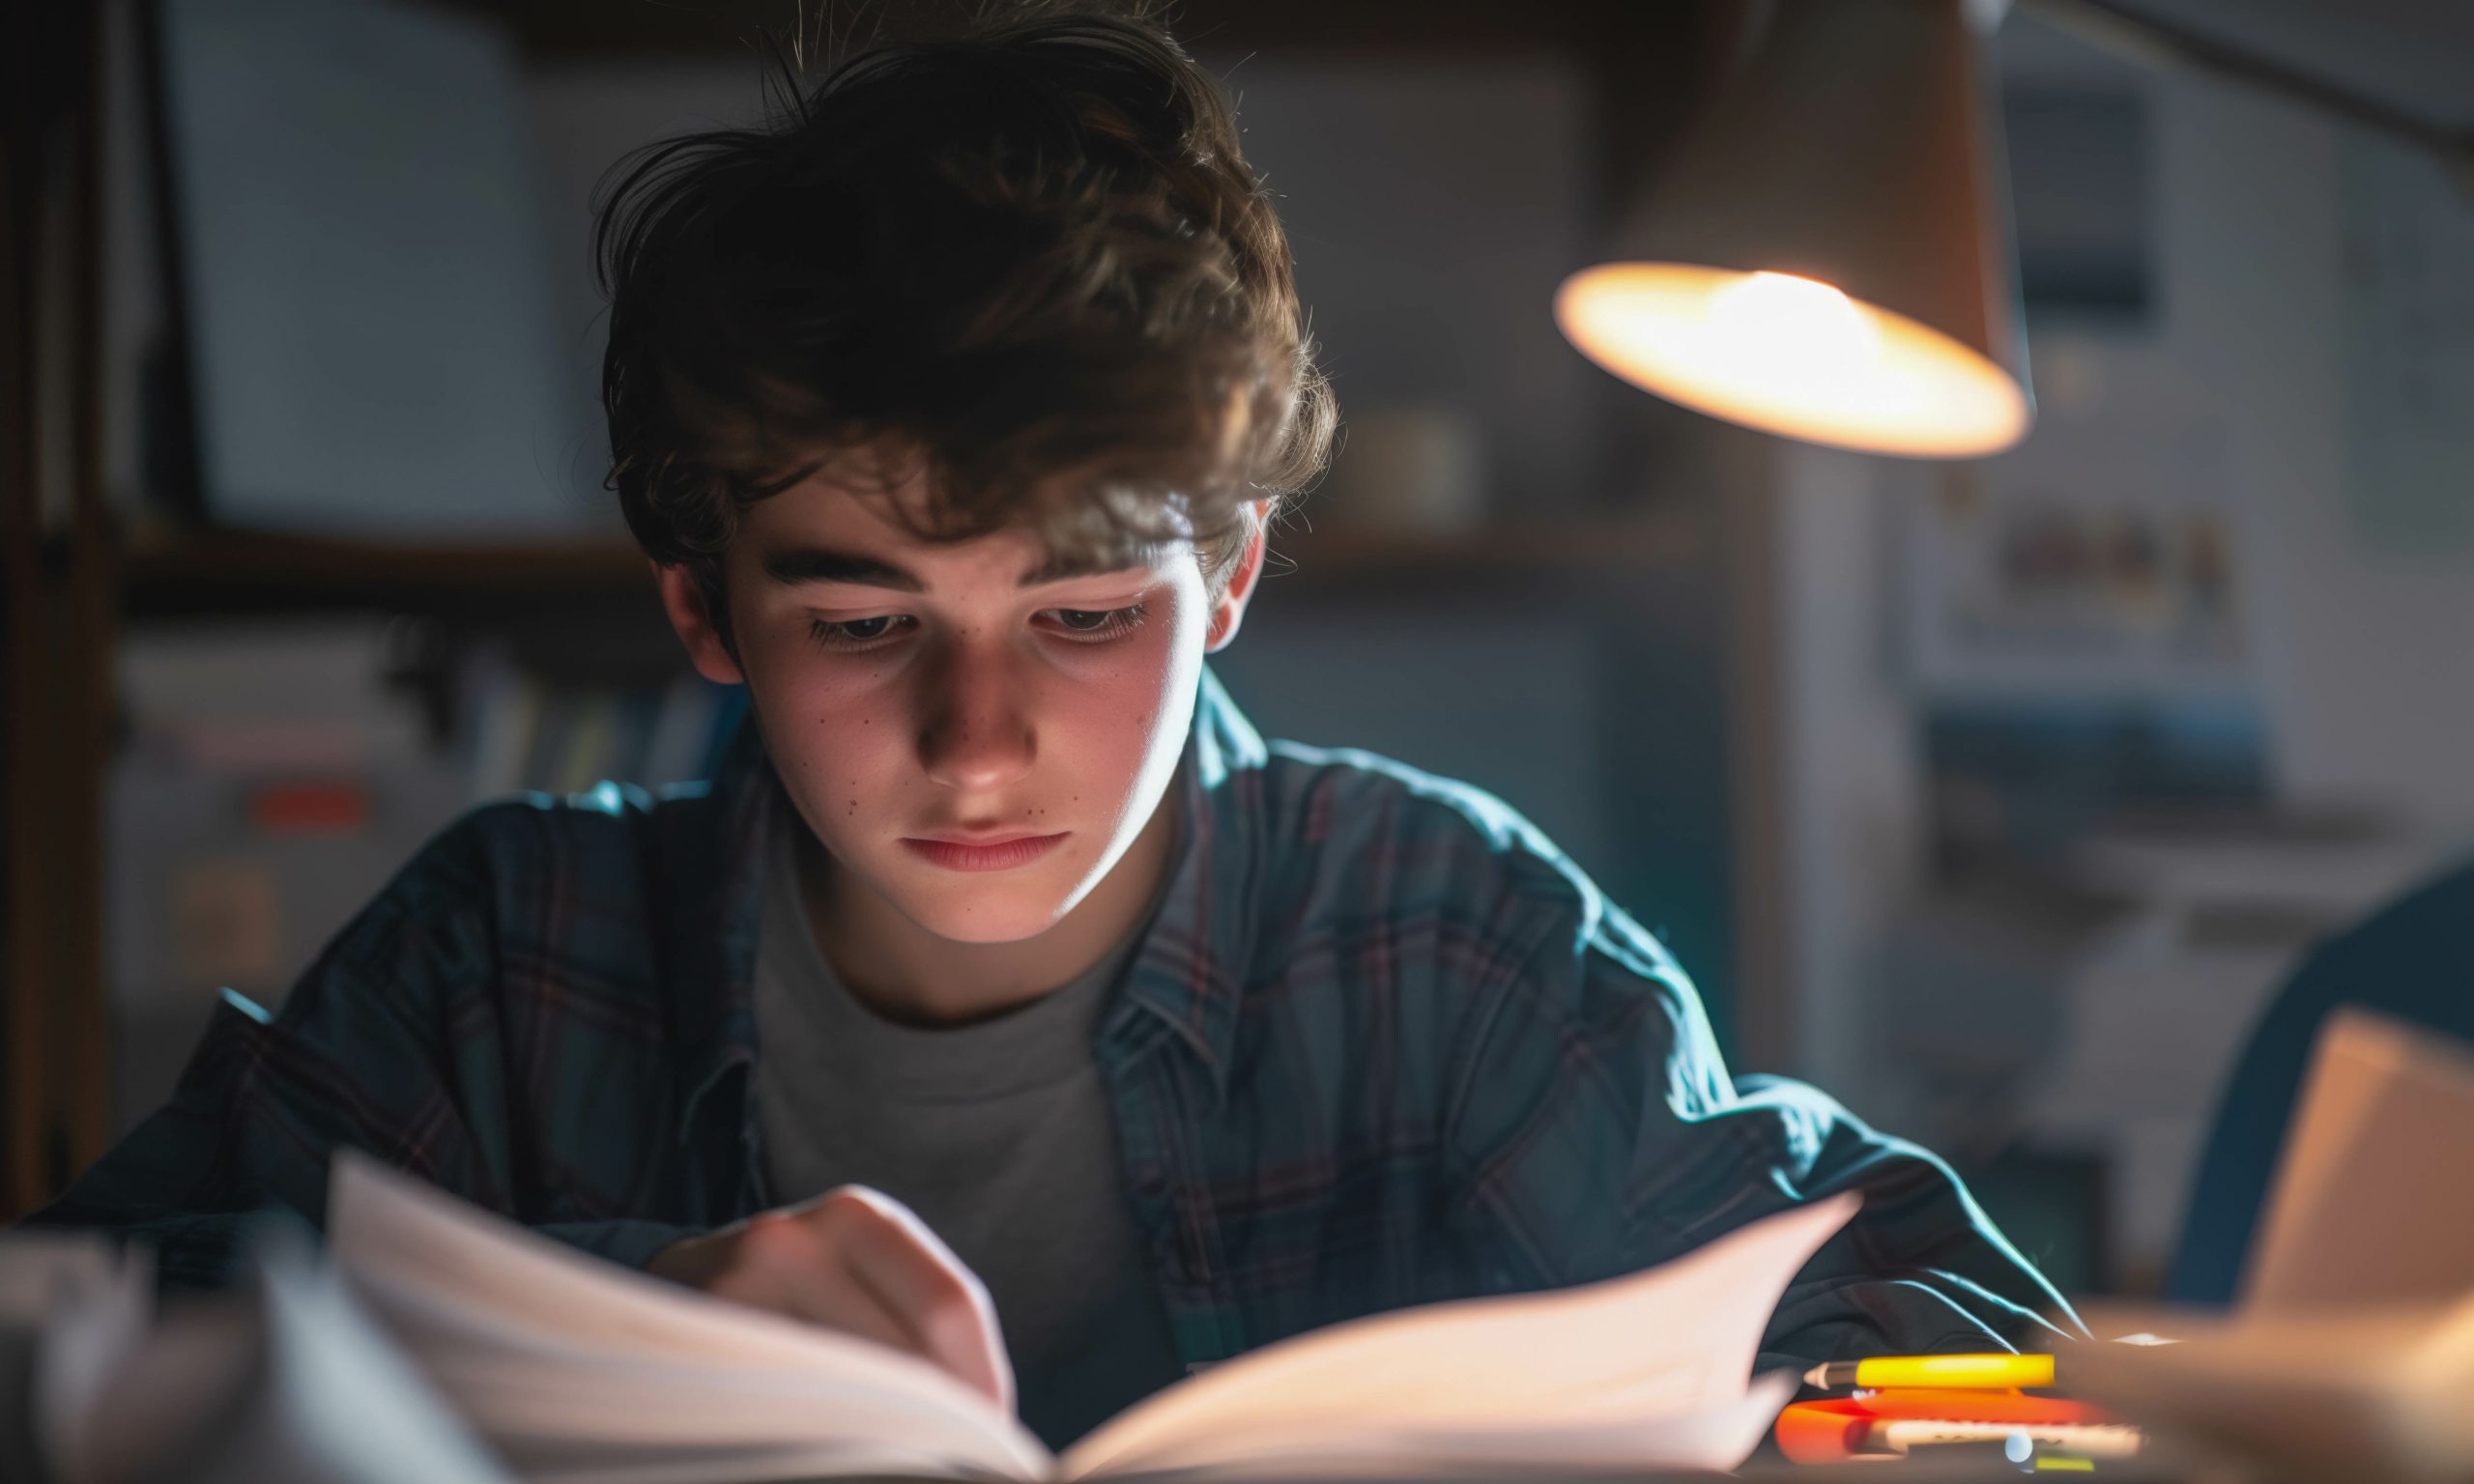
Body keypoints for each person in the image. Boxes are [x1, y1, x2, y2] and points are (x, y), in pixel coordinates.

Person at [24, 0, 2083, 1448]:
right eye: (862, 618)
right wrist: (619, 1308)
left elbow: (1989, 1355)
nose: (979, 740)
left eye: (1086, 612)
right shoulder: (507, 955)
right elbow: (69, 1334)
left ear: (1234, 581)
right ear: (702, 606)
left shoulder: (1431, 934)